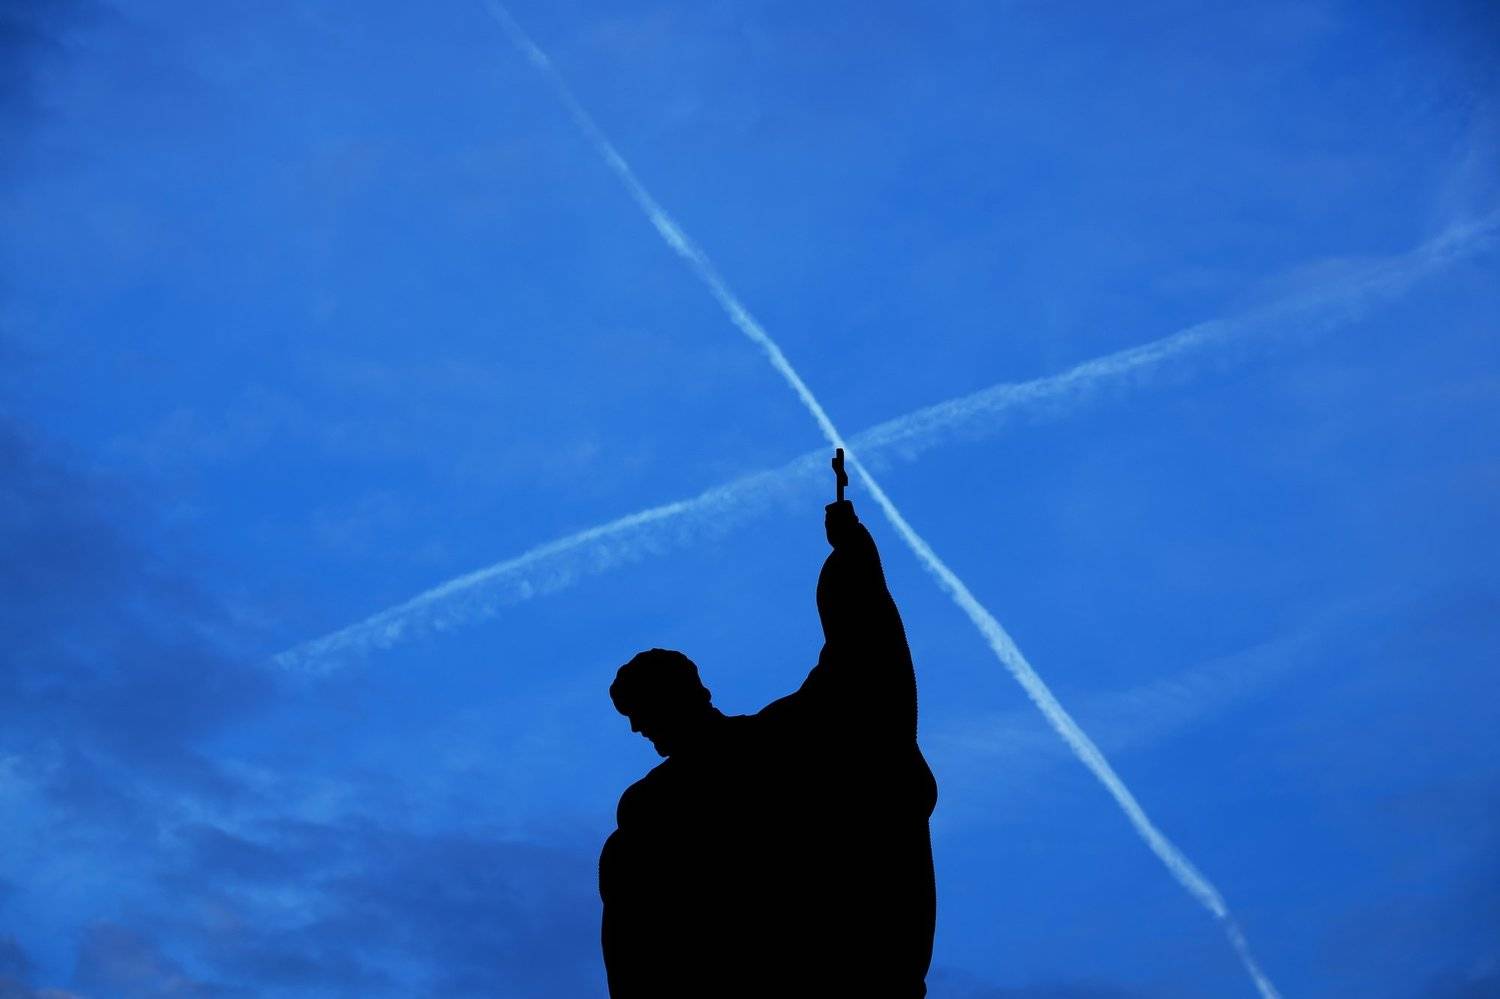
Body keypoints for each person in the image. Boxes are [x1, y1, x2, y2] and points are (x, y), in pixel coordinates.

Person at [599, 451, 937, 997]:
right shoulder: (649, 805)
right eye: (633, 718)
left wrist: (852, 562)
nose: (640, 730)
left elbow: (857, 671)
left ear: (694, 694)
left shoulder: (779, 741)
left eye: (645, 711)